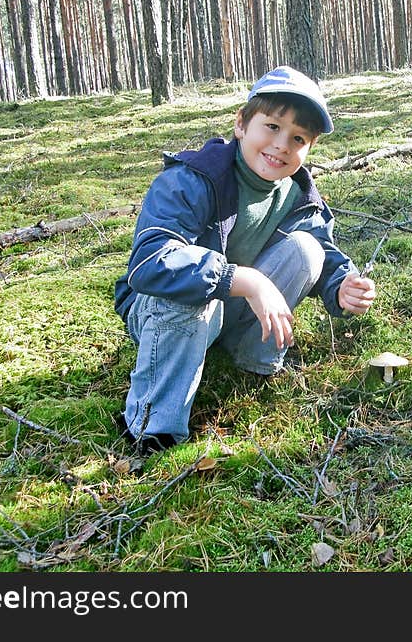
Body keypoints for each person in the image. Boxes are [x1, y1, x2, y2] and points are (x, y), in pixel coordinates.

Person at [113, 65, 377, 455]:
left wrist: (343, 287)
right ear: (241, 123)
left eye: (298, 138)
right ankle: (153, 429)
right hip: (162, 314)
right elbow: (150, 262)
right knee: (195, 284)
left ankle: (252, 360)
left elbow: (324, 248)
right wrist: (247, 280)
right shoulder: (192, 178)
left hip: (228, 315)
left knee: (306, 249)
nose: (282, 145)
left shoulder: (297, 193)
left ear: (308, 150)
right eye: (272, 127)